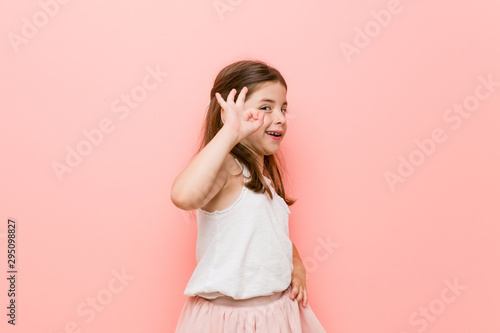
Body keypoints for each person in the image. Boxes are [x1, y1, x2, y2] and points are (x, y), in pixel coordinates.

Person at [171, 59, 327, 332]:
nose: (279, 117)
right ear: (230, 113)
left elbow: (270, 235)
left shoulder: (263, 180)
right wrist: (230, 132)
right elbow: (183, 196)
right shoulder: (228, 168)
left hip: (274, 314)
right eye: (266, 107)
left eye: (283, 108)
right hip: (229, 320)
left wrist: (297, 263)